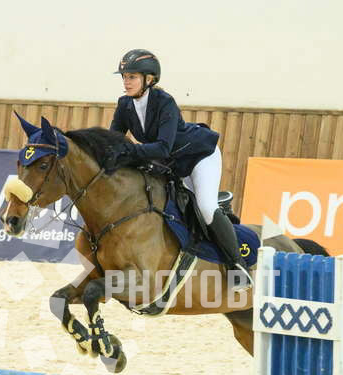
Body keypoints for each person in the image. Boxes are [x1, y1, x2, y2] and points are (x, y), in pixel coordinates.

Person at [105, 49, 253, 291]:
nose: (126, 82)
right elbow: (114, 139)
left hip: (200, 155)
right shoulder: (124, 105)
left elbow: (163, 147)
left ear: (149, 79)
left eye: (132, 77)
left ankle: (238, 265)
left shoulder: (165, 102)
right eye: (124, 77)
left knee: (205, 206)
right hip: (173, 163)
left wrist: (128, 151)